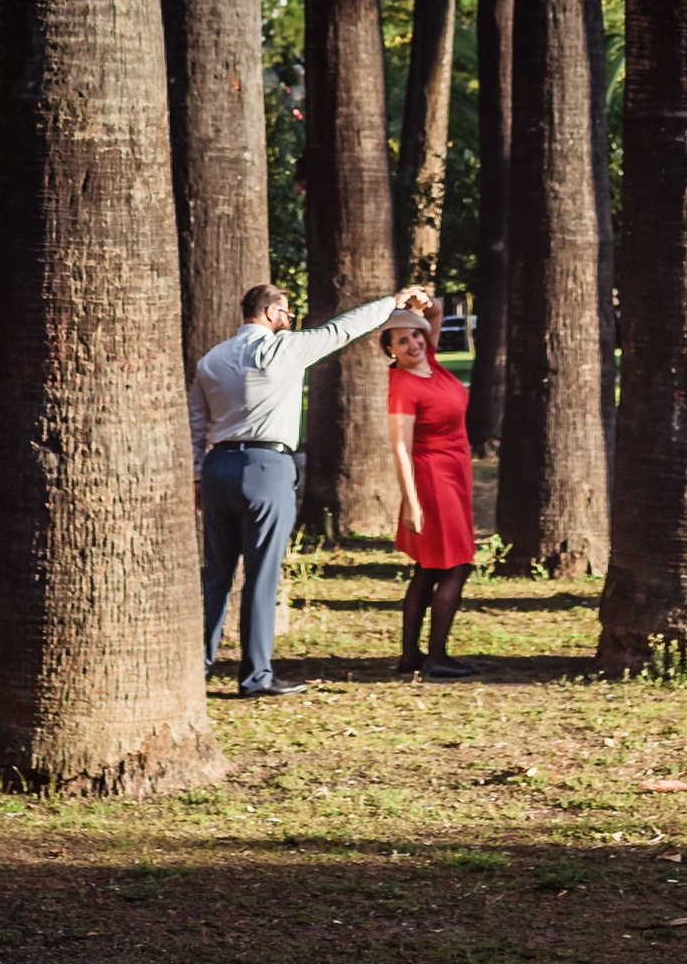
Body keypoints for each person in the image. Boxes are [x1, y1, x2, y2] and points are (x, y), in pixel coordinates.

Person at [189, 278, 428, 697]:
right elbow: (342, 329)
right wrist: (391, 303)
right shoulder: (283, 349)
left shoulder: (212, 358)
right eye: (285, 313)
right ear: (268, 313)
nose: (288, 320)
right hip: (267, 465)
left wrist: (196, 475)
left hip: (218, 466)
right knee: (262, 576)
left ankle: (197, 666)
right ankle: (255, 675)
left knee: (217, 575)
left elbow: (195, 422)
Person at [386, 312, 476, 678]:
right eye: (402, 341)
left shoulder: (431, 364)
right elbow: (401, 448)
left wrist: (420, 300)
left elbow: (435, 309)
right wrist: (412, 501)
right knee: (457, 564)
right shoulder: (404, 385)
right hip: (432, 478)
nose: (414, 344)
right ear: (390, 351)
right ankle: (436, 656)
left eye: (415, 336)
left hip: (455, 473)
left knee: (428, 567)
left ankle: (411, 656)